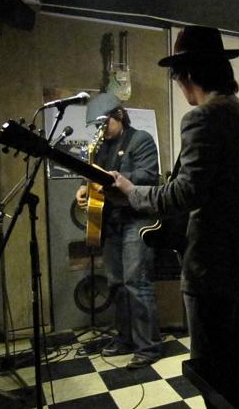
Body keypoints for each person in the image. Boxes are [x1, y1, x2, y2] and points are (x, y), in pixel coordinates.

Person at [109, 26, 239, 366]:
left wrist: (132, 192)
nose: (180, 87)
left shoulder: (203, 116)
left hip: (213, 267)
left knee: (209, 367)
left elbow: (185, 192)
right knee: (232, 359)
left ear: (189, 74)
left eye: (178, 78)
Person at [75, 93, 162, 369]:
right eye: (97, 126)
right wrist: (83, 188)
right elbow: (91, 176)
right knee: (116, 283)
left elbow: (149, 176)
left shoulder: (141, 140)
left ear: (120, 115)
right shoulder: (101, 147)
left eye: (105, 124)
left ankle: (148, 347)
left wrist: (116, 179)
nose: (101, 130)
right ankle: (125, 339)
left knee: (137, 283)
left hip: (136, 220)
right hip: (111, 221)